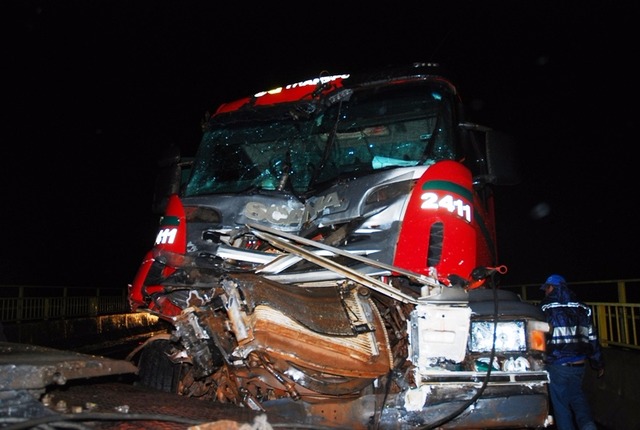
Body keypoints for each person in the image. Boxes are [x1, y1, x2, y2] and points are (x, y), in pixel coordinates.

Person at [539, 274, 605, 430]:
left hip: (557, 365)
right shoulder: (583, 308)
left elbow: (539, 338)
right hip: (579, 364)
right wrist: (598, 363)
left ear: (552, 288)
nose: (545, 292)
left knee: (561, 406)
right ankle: (589, 427)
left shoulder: (545, 308)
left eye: (546, 288)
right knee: (577, 398)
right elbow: (592, 338)